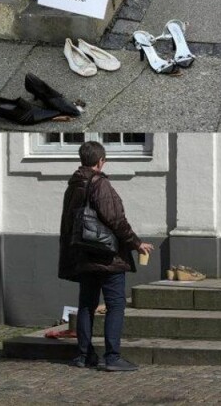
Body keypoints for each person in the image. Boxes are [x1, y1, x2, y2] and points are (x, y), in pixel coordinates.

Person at [59, 141, 154, 371]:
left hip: (83, 254)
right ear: (101, 161)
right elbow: (116, 220)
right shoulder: (99, 183)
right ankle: (112, 357)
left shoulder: (74, 184)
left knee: (86, 305)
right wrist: (136, 243)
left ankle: (84, 355)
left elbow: (68, 222)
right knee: (116, 305)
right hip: (106, 256)